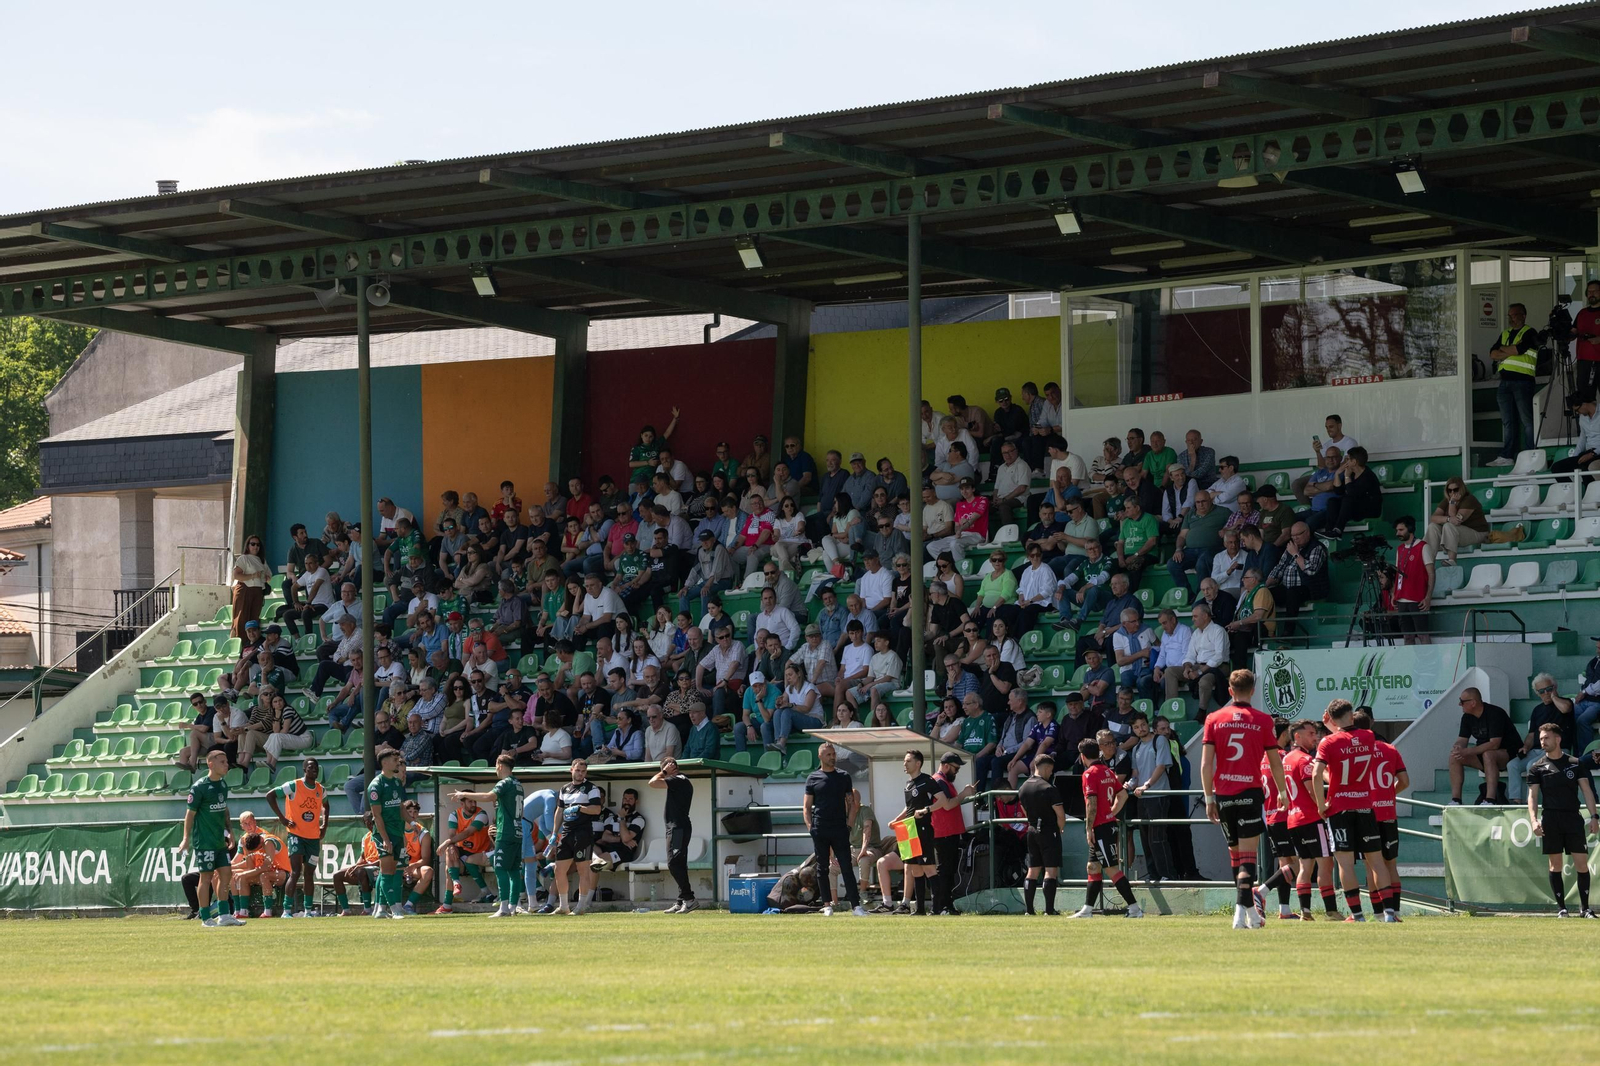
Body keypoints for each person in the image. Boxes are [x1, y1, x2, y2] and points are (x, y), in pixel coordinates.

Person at [1201, 669, 1286, 930]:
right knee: (1248, 858)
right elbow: (1274, 762)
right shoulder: (1262, 720)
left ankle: (1249, 914)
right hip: (1250, 793)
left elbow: (1206, 764)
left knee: (1236, 858)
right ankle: (1240, 913)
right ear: (1252, 690)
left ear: (1229, 690)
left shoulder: (1214, 718)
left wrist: (1208, 797)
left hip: (1224, 794)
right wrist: (1282, 791)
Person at [1310, 699, 1394, 923]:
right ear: (1351, 714)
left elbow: (1317, 774)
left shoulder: (1328, 742)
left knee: (1346, 863)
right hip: (1365, 805)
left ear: (1331, 718)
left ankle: (1357, 915)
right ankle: (1389, 914)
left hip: (1339, 808)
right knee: (1376, 861)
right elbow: (1351, 738)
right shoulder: (1368, 736)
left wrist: (1320, 804)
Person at [1527, 722, 1600, 918]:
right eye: (1541, 738)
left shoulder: (1575, 763)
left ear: (1557, 739)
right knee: (1555, 865)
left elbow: (1587, 791)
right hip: (1551, 819)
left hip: (1573, 818)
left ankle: (1585, 909)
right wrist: (1534, 820)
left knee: (1582, 864)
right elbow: (1532, 797)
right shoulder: (1536, 768)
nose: (1542, 741)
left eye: (1546, 738)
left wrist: (1594, 817)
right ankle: (1562, 909)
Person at [1071, 738, 1143, 919]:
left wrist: (1089, 828)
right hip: (1107, 824)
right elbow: (1123, 795)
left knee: (1111, 869)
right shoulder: (1108, 772)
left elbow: (1091, 803)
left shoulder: (1089, 774)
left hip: (1100, 828)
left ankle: (1134, 908)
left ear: (1082, 756)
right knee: (1093, 867)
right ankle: (1087, 909)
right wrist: (1112, 813)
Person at [1281, 717, 1339, 920]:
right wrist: (1323, 807)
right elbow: (1311, 788)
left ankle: (1305, 911)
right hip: (1311, 818)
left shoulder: (1286, 758)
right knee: (1326, 864)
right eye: (1311, 734)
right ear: (1297, 736)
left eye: (1315, 734)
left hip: (1293, 820)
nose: (1315, 738)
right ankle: (1331, 911)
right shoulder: (1305, 760)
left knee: (1305, 866)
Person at [802, 743, 868, 917]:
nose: (832, 757)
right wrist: (811, 828)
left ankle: (856, 906)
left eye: (833, 754)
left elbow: (851, 803)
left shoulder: (844, 776)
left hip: (840, 828)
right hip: (820, 827)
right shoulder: (813, 778)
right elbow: (807, 807)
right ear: (820, 757)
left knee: (846, 866)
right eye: (828, 754)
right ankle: (827, 905)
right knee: (822, 868)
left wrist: (849, 825)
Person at [180, 749, 239, 927]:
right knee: (205, 878)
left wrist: (230, 832)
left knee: (226, 874)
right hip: (204, 842)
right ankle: (205, 917)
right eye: (222, 762)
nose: (226, 764)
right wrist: (185, 839)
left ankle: (224, 915)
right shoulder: (199, 787)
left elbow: (224, 810)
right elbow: (189, 815)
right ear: (210, 764)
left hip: (219, 841)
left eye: (227, 762)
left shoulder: (222, 784)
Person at [264, 757, 329, 918]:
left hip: (313, 837)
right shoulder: (294, 785)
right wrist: (282, 818)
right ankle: (286, 910)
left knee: (309, 873)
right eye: (311, 767)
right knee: (296, 871)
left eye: (316, 767)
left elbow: (326, 806)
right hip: (296, 835)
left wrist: (324, 825)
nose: (314, 770)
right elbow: (270, 795)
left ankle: (307, 910)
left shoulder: (320, 789)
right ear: (304, 769)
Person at [1486, 302, 1541, 467]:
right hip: (1505, 383)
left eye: (1515, 315)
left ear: (1523, 315)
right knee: (1508, 422)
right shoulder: (1505, 333)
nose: (1511, 319)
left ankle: (1531, 454)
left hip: (1523, 381)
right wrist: (1509, 349)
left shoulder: (1530, 332)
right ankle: (1507, 456)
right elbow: (1492, 353)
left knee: (1527, 420)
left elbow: (1519, 350)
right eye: (1509, 316)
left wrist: (1505, 351)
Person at [888, 750, 941, 914]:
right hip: (909, 830)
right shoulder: (908, 784)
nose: (905, 764)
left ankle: (938, 908)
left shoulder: (927, 781)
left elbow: (943, 801)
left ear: (918, 763)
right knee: (915, 869)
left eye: (908, 761)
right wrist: (897, 819)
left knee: (929, 868)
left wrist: (925, 810)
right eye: (905, 761)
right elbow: (909, 808)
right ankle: (919, 910)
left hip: (923, 829)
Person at [550, 759, 605, 915]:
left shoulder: (591, 788)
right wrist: (554, 832)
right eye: (578, 770)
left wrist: (580, 808)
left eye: (583, 771)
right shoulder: (564, 789)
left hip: (583, 833)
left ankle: (581, 906)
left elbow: (596, 810)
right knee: (559, 870)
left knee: (583, 870)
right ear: (571, 770)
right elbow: (559, 811)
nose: (581, 773)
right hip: (566, 832)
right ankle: (563, 906)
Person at [1449, 687, 1520, 805]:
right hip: (1484, 754)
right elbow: (1462, 739)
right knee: (1454, 757)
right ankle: (1456, 800)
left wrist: (1467, 751)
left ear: (1473, 703)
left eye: (1462, 702)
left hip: (1509, 754)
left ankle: (1490, 799)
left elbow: (1494, 744)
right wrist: (1458, 748)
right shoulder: (1467, 716)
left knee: (1488, 754)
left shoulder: (1495, 713)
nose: (1459, 704)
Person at [1509, 675, 1575, 801]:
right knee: (1513, 765)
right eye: (1541, 691)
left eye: (1549, 689)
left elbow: (1565, 709)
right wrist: (1526, 747)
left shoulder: (1565, 703)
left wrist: (1554, 696)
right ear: (1537, 693)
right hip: (1536, 751)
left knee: (1532, 766)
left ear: (1555, 688)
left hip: (1558, 750)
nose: (1546, 693)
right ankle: (1516, 801)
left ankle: (1533, 801)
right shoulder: (1537, 710)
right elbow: (1531, 734)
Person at [1018, 753, 1066, 915]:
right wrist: (1059, 829)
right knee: (1051, 870)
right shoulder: (1049, 788)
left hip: (1031, 830)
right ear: (1045, 767)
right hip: (1048, 829)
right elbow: (1060, 815)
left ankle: (1029, 910)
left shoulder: (1023, 787)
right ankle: (1049, 910)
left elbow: (1025, 812)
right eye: (1050, 770)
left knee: (1032, 870)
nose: (1051, 774)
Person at [649, 756, 699, 913]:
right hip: (677, 828)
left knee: (673, 863)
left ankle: (689, 899)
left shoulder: (679, 779)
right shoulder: (680, 781)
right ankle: (681, 901)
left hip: (678, 829)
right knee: (680, 864)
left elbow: (652, 783)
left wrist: (663, 772)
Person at [365, 746, 408, 919]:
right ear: (384, 762)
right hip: (384, 833)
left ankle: (381, 909)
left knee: (389, 871)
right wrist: (385, 839)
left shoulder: (397, 782)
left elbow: (400, 807)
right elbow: (376, 816)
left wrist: (411, 823)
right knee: (388, 870)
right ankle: (394, 908)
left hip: (397, 832)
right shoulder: (376, 786)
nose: (398, 762)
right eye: (394, 760)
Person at [436, 796, 493, 913]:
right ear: (462, 804)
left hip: (481, 851)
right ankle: (454, 889)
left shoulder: (481, 814)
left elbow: (468, 832)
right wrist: (450, 845)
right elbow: (452, 836)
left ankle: (483, 891)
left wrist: (447, 842)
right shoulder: (454, 815)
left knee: (465, 861)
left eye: (474, 801)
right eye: (470, 802)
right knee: (449, 858)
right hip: (463, 851)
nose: (473, 804)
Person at [1292, 415, 1359, 505]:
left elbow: (1346, 464)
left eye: (1331, 427)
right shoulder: (1326, 444)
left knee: (1329, 483)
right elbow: (1322, 467)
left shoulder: (1349, 442)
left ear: (1339, 426)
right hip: (1324, 474)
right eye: (1326, 427)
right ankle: (1310, 508)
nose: (1328, 430)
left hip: (1340, 474)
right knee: (1297, 484)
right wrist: (1318, 452)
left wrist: (1316, 486)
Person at [1423, 477, 1489, 565]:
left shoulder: (1469, 499)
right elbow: (1433, 518)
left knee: (1449, 526)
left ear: (1461, 489)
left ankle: (1452, 560)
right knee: (1432, 527)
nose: (1452, 493)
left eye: (1455, 490)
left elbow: (1457, 520)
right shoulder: (1447, 500)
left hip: (1478, 533)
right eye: (1449, 490)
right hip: (1459, 533)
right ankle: (1428, 563)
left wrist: (1452, 503)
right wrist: (1448, 519)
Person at [230, 534, 271, 639]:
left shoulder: (262, 560)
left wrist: (266, 577)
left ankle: (252, 643)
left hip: (258, 591)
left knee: (254, 619)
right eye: (252, 544)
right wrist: (252, 575)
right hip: (245, 589)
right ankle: (240, 643)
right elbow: (236, 575)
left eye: (258, 545)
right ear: (247, 545)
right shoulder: (243, 558)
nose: (255, 547)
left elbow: (269, 574)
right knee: (242, 618)